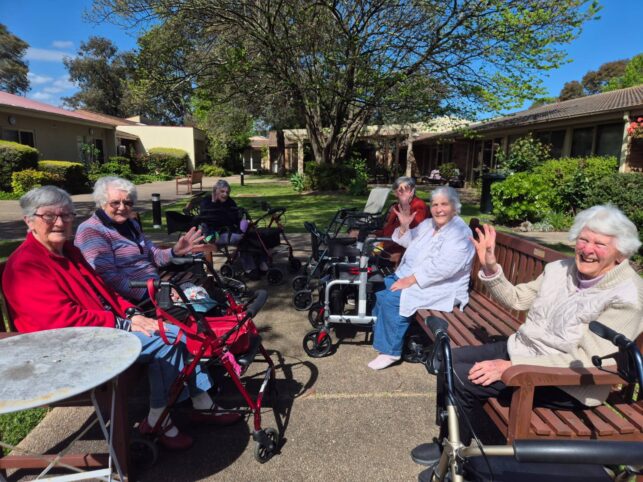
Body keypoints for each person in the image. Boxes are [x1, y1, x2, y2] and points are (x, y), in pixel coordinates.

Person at [2, 186, 241, 451]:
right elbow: (62, 321)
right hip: (63, 350)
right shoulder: (27, 265)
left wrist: (131, 313)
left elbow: (104, 291)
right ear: (29, 220)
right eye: (49, 216)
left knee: (175, 328)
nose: (59, 222)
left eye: (66, 215)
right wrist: (126, 322)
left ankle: (193, 405)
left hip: (100, 329)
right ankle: (160, 418)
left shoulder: (70, 250)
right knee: (170, 337)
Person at [412, 204, 643, 467]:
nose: (587, 249)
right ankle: (448, 443)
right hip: (523, 350)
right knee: (448, 359)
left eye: (600, 244)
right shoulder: (560, 269)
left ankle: (466, 457)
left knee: (462, 377)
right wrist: (490, 266)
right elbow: (517, 299)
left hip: (567, 381)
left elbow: (588, 360)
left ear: (621, 253)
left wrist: (512, 367)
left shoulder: (628, 296)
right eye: (583, 239)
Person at [368, 186, 475, 370]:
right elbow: (409, 240)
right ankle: (383, 336)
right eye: (434, 205)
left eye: (444, 204)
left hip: (442, 286)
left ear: (455, 207)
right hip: (413, 277)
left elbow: (445, 268)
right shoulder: (428, 225)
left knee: (394, 299)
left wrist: (410, 280)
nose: (438, 209)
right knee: (382, 291)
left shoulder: (460, 233)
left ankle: (390, 351)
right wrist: (404, 227)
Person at [75, 176, 206, 302]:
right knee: (196, 306)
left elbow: (154, 255)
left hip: (153, 284)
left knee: (205, 297)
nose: (122, 207)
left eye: (127, 203)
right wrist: (155, 294)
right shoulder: (92, 230)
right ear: (102, 203)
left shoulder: (131, 224)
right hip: (132, 298)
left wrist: (175, 251)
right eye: (115, 203)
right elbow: (108, 278)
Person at [198, 179, 267, 279]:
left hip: (229, 231)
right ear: (215, 190)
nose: (225, 194)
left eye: (227, 192)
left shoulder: (229, 201)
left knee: (254, 234)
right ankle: (250, 269)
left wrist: (244, 222)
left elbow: (236, 215)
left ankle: (261, 262)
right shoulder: (207, 202)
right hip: (214, 235)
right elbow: (210, 219)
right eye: (222, 191)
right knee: (243, 239)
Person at [373, 176, 429, 260]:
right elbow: (388, 229)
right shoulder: (397, 206)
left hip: (401, 249)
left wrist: (380, 241)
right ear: (395, 193)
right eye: (400, 190)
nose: (403, 193)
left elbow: (412, 234)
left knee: (368, 253)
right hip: (386, 242)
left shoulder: (419, 206)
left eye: (407, 190)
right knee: (362, 245)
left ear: (412, 191)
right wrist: (375, 234)